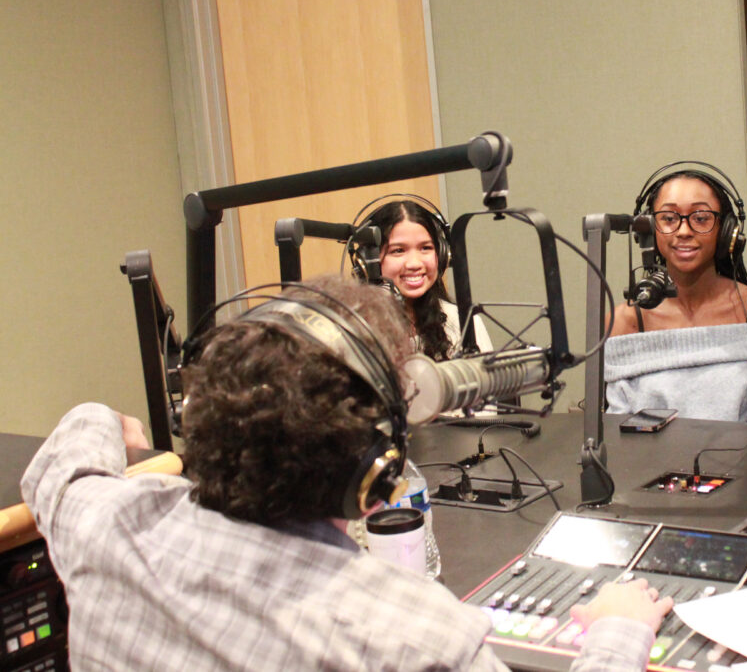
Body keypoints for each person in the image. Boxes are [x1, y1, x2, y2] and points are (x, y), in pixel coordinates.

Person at [22, 275, 672, 670]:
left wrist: (107, 420)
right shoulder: (415, 634)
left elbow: (61, 462)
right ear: (375, 471)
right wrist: (617, 630)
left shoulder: (105, 524)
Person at [605, 167, 747, 424]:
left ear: (727, 231)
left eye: (701, 218)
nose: (684, 231)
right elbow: (619, 435)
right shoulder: (623, 322)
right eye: (669, 218)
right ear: (649, 230)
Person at [363, 197, 493, 359]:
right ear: (368, 261)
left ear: (442, 255)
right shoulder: (352, 329)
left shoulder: (464, 322)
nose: (414, 263)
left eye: (425, 248)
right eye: (398, 251)